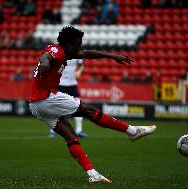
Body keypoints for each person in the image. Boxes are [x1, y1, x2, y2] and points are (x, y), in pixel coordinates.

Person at [28, 26, 156, 183]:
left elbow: (86, 54)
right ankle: (131, 131)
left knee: (70, 135)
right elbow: (46, 57)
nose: (79, 47)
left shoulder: (64, 52)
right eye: (77, 43)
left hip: (35, 105)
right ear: (68, 43)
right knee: (89, 111)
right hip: (46, 98)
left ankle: (93, 174)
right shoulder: (57, 51)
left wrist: (112, 56)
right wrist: (45, 63)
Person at [49, 59, 88, 138]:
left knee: (79, 106)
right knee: (57, 107)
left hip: (72, 84)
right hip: (60, 84)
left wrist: (79, 71)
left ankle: (79, 130)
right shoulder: (60, 54)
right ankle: (53, 130)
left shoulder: (76, 54)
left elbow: (82, 66)